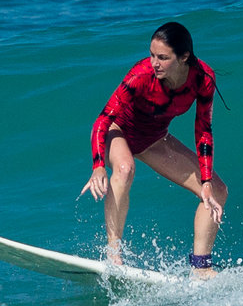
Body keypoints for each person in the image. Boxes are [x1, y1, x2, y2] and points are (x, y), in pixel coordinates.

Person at [81, 22, 228, 277]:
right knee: (125, 169)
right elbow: (102, 120)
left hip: (155, 140)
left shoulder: (202, 79)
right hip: (121, 132)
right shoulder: (140, 76)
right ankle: (113, 255)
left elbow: (203, 129)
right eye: (152, 55)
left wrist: (205, 180)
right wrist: (98, 166)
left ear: (183, 57)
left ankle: (201, 268)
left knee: (216, 190)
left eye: (162, 57)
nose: (154, 63)